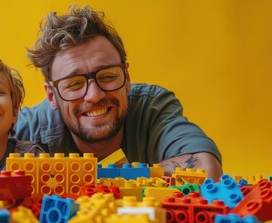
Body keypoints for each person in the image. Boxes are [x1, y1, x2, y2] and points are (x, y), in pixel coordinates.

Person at [14, 5, 223, 181]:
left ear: (127, 78)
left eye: (107, 76)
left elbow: (207, 169)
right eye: (74, 84)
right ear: (52, 96)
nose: (94, 95)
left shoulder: (152, 107)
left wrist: (91, 179)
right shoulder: (26, 126)